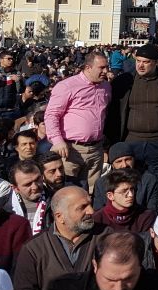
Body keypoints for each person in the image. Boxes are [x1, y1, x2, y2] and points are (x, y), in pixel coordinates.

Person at [11, 185, 101, 290]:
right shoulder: (34, 248)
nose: (91, 211)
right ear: (59, 217)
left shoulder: (106, 239)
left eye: (90, 204)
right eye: (82, 207)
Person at [106, 43, 158, 177]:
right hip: (131, 143)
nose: (140, 65)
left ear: (155, 63)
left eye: (146, 62)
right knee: (131, 183)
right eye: (138, 61)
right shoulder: (124, 81)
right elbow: (113, 113)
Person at [44, 51, 110, 191]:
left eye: (107, 67)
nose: (105, 71)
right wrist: (57, 140)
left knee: (92, 191)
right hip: (70, 149)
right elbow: (51, 115)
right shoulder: (67, 86)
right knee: (66, 190)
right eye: (101, 68)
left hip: (95, 149)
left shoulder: (106, 87)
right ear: (88, 67)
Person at [93, 168, 157, 233]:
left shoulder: (146, 216)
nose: (131, 195)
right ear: (110, 196)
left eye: (132, 189)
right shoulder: (98, 219)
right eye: (124, 191)